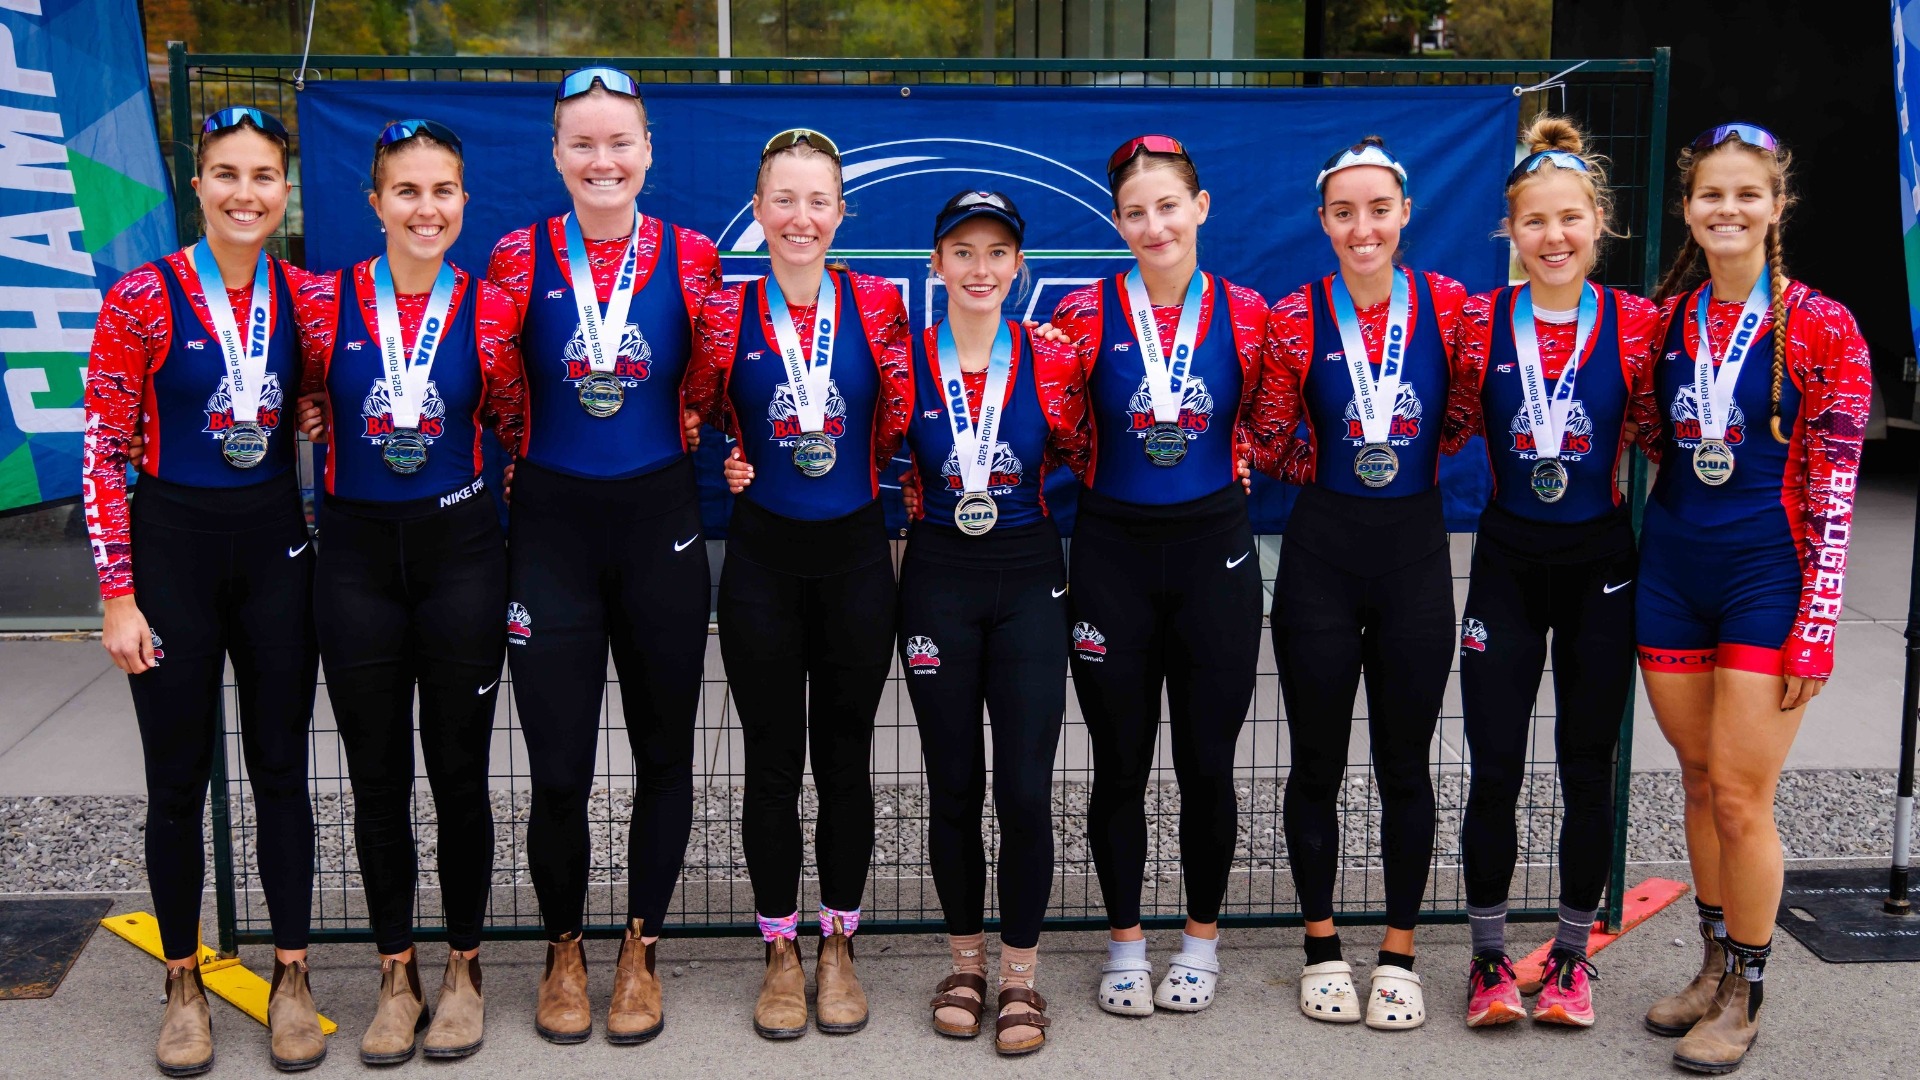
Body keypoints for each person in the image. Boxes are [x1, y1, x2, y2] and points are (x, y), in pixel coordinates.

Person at [80, 106, 325, 1075]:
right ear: (199, 184)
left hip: (274, 552)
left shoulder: (303, 296)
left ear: (284, 189)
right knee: (177, 783)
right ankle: (182, 981)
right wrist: (116, 595)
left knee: (280, 777)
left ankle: (293, 976)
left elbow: (322, 401)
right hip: (171, 554)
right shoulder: (141, 296)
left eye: (263, 176)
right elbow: (101, 447)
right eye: (227, 173)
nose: (245, 193)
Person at [484, 66, 719, 1045]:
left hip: (659, 520)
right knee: (558, 769)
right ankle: (566, 948)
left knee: (667, 756)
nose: (602, 160)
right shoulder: (513, 256)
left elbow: (710, 380)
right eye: (582, 143)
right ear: (556, 155)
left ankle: (642, 946)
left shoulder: (695, 258)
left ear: (648, 151)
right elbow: (485, 377)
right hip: (552, 528)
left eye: (619, 141)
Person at [1637, 123, 1869, 1074]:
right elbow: (1654, 437)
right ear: (1688, 209)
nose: (1727, 209)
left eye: (1747, 194)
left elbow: (1839, 486)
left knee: (1742, 794)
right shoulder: (1666, 317)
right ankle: (1709, 962)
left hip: (1768, 579)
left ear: (1778, 206)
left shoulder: (1822, 324)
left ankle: (1748, 989)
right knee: (1696, 781)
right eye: (1709, 195)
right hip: (1673, 572)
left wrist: (1816, 625)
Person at [292, 118, 525, 1063]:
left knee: (462, 773)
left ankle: (465, 968)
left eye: (443, 192)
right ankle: (398, 969)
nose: (425, 209)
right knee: (376, 775)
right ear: (375, 202)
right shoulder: (318, 303)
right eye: (406, 192)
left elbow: (514, 418)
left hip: (461, 552)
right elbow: (296, 398)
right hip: (353, 559)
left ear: (464, 201)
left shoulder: (498, 307)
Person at [685, 127, 911, 1039]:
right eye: (784, 199)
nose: (801, 217)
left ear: (842, 211)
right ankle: (779, 946)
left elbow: (908, 410)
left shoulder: (882, 305)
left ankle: (839, 942)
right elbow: (686, 410)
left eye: (819, 200)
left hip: (857, 559)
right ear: (759, 207)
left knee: (847, 764)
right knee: (774, 768)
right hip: (762, 565)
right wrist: (734, 456)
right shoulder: (722, 314)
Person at [1245, 135, 1468, 1031]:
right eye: (1345, 212)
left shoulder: (1453, 308)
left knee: (1406, 767)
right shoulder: (1296, 316)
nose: (1362, 226)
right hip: (1322, 559)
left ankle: (1402, 950)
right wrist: (1341, 467)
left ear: (1406, 213)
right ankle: (1321, 944)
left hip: (1414, 554)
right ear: (1324, 221)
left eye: (1379, 209)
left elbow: (1457, 421)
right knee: (1317, 766)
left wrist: (1394, 462)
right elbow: (1268, 437)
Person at [1444, 116, 1660, 1030]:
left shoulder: (1639, 324)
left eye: (1570, 218)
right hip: (1505, 562)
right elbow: (1430, 426)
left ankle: (1572, 958)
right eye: (1534, 222)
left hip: (1601, 565)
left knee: (1585, 765)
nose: (1554, 237)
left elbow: (1675, 433)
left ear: (1600, 221)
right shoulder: (1474, 325)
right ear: (1511, 231)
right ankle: (1489, 957)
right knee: (1492, 767)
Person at [1046, 135, 1268, 1018]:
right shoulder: (1077, 313)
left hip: (1215, 550)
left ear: (1201, 207)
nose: (1154, 224)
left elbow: (1282, 418)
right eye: (1135, 212)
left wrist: (1242, 451)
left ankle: (1202, 942)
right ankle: (1126, 943)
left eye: (1169, 205)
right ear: (1116, 222)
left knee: (1207, 765)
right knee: (1119, 767)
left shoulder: (1251, 314)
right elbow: (1050, 426)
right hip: (1112, 554)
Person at [896, 190, 1084, 1055]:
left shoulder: (1054, 356)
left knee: (1022, 790)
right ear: (936, 266)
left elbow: (1100, 452)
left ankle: (1019, 975)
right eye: (961, 252)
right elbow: (851, 458)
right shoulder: (900, 359)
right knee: (954, 788)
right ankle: (963, 963)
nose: (979, 268)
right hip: (937, 580)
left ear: (1019, 267)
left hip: (1029, 581)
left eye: (996, 253)